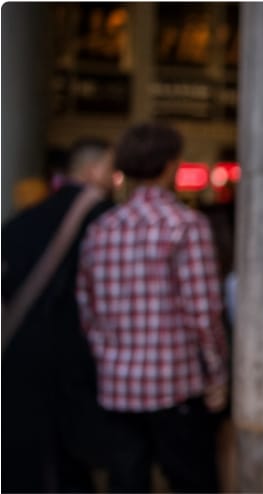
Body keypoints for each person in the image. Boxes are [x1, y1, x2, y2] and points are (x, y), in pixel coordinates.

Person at [76, 122, 229, 492]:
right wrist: (216, 374)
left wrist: (107, 358)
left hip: (116, 387)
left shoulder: (101, 228)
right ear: (171, 165)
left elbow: (87, 309)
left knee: (126, 483)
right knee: (193, 482)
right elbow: (203, 310)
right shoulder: (186, 225)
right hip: (176, 384)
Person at [2, 138, 116, 492]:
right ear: (93, 170)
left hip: (16, 352)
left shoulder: (23, 221)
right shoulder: (101, 220)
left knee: (25, 458)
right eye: (112, 170)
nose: (115, 179)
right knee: (69, 462)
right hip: (70, 359)